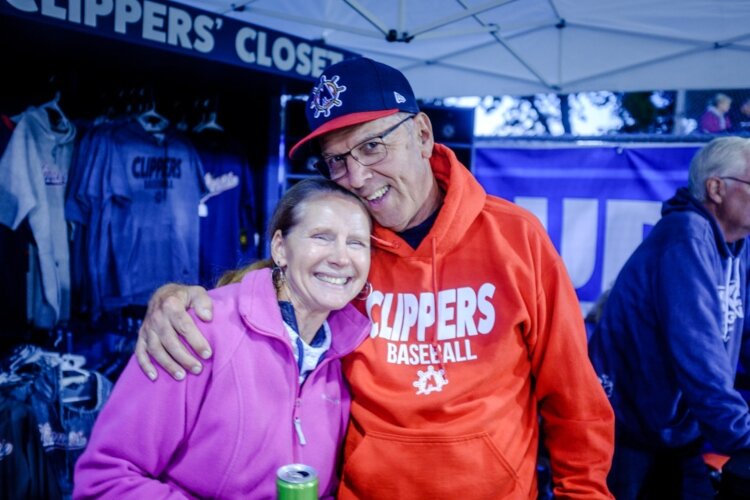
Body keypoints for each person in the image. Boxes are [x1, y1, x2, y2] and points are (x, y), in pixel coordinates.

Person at [134, 57, 614, 498]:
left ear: (423, 135)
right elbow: (257, 293)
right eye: (337, 161)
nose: (358, 176)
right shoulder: (341, 253)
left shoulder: (516, 237)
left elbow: (574, 398)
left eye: (372, 146)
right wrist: (175, 297)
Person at [73, 178, 373, 498]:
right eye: (322, 237)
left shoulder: (344, 356)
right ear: (280, 248)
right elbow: (106, 480)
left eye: (356, 243)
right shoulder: (198, 329)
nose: (341, 258)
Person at [588, 137, 750, 499]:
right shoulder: (685, 235)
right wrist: (742, 433)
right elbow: (698, 351)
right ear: (717, 188)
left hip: (676, 430)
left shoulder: (735, 249)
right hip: (629, 432)